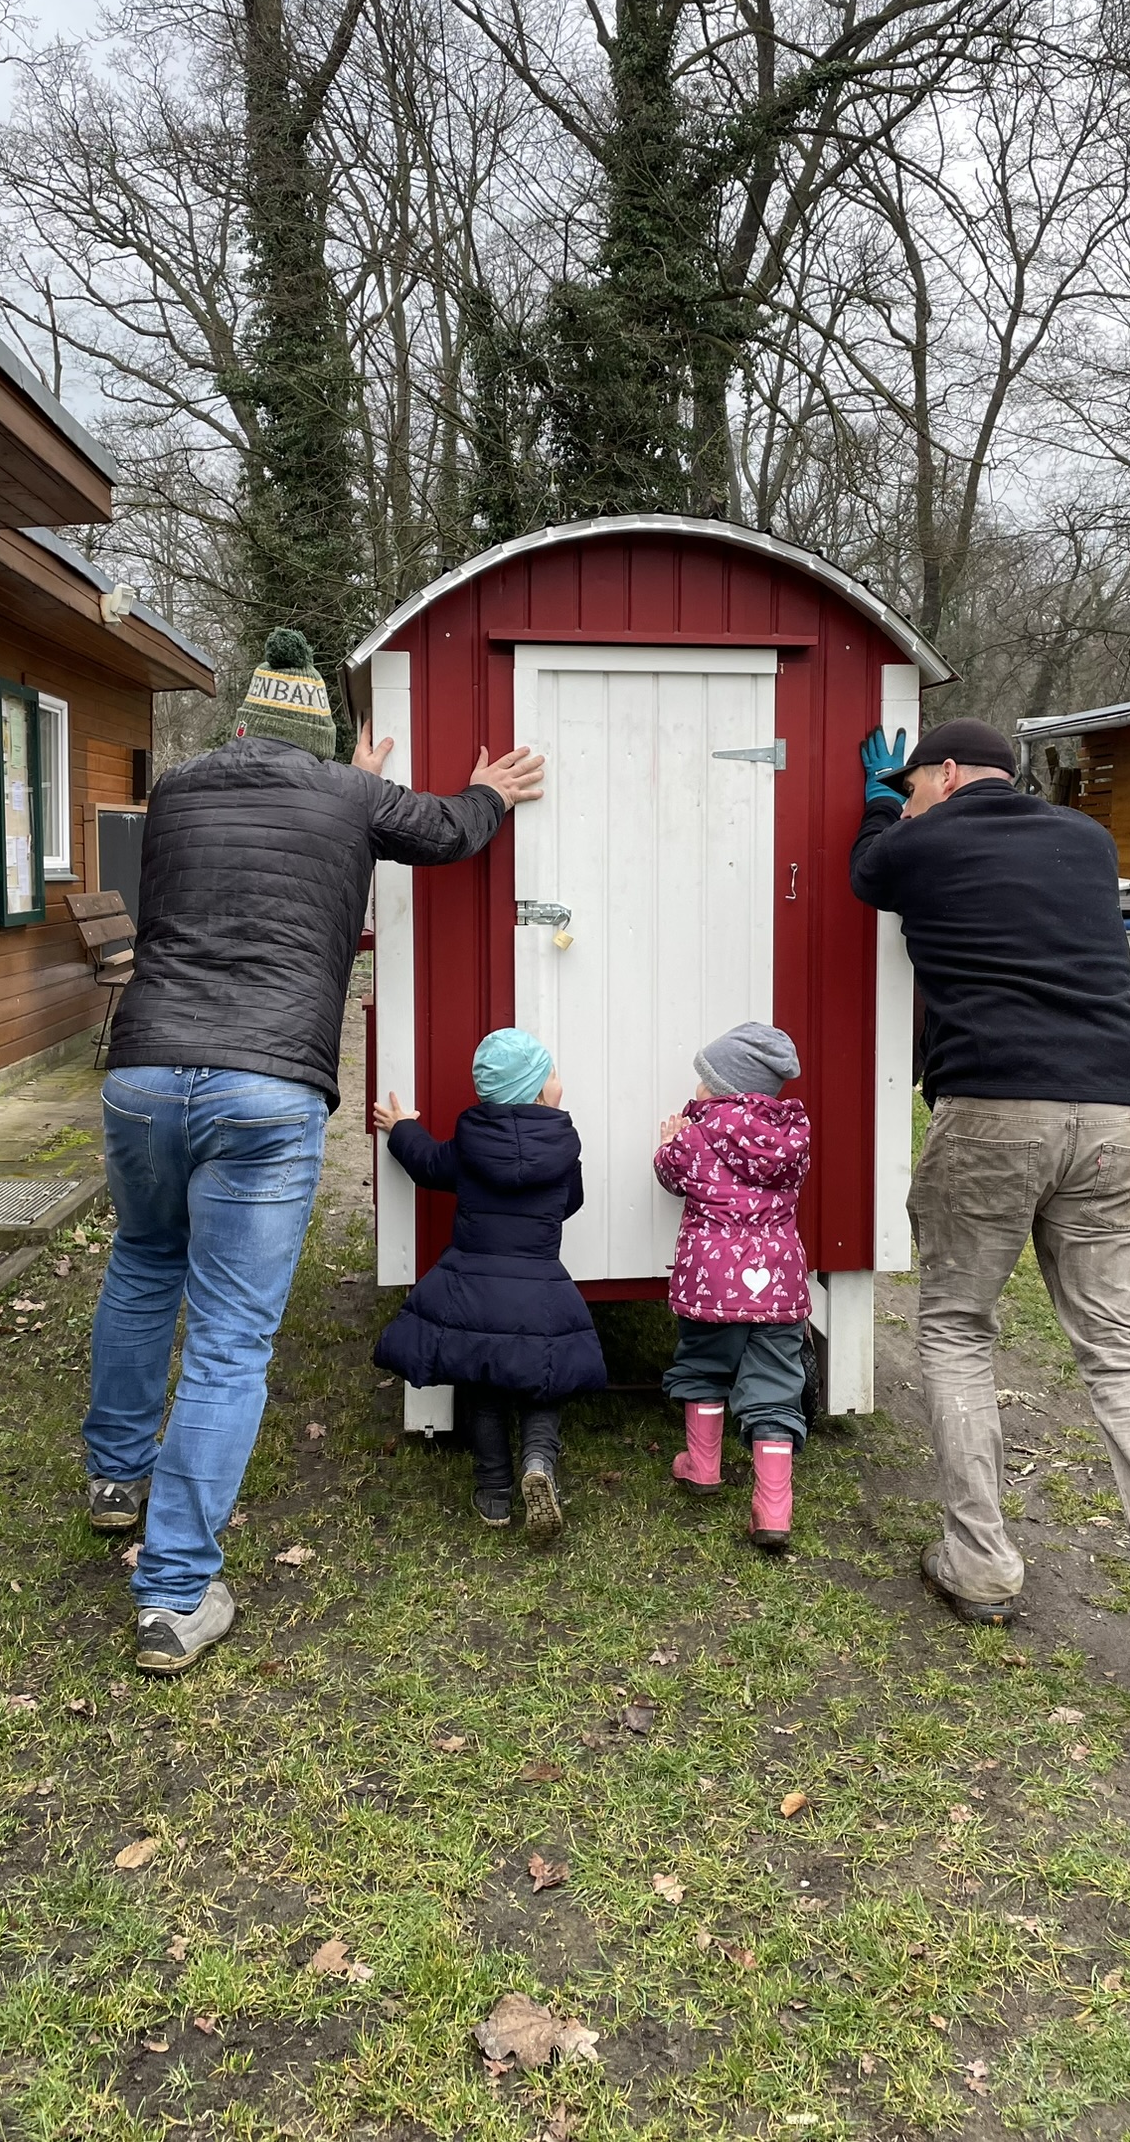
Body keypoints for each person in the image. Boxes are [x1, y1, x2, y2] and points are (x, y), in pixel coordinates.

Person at [83, 627, 543, 1672]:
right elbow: (442, 830)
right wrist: (489, 795)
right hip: (265, 1082)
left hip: (145, 1070)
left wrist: (348, 785)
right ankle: (174, 1595)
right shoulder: (349, 799)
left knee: (144, 1261)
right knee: (232, 1338)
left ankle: (115, 1480)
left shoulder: (186, 789)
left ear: (244, 722)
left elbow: (257, 842)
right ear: (325, 742)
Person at [850, 717, 1130, 1702]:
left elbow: (869, 872)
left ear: (942, 775)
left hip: (995, 1101)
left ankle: (979, 1564)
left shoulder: (922, 836)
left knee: (954, 1328)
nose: (906, 802)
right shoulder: (1087, 841)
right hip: (1121, 1109)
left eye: (912, 785)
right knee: (1122, 1343)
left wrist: (875, 804)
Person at [372, 1028, 605, 1537]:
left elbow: (429, 1165)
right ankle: (538, 1463)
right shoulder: (563, 1147)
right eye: (553, 1073)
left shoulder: (470, 1142)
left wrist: (403, 1128)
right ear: (541, 1091)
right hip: (540, 1289)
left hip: (473, 1292)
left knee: (483, 1388)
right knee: (545, 1381)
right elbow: (572, 1203)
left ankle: (494, 1493)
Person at [655, 1023, 811, 1554]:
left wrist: (668, 1142)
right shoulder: (790, 1140)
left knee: (704, 1365)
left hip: (712, 1282)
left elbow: (671, 1174)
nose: (696, 1088)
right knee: (775, 1385)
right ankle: (773, 1508)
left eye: (703, 1079)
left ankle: (702, 1466)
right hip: (778, 1283)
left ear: (722, 1086)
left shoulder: (697, 1135)